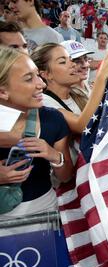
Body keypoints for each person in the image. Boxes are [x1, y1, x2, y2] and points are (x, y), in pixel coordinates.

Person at [0, 47, 73, 233]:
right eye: (28, 78)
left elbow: (65, 176)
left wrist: (55, 156)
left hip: (43, 213)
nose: (41, 84)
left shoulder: (53, 119)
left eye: (38, 76)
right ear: (3, 92)